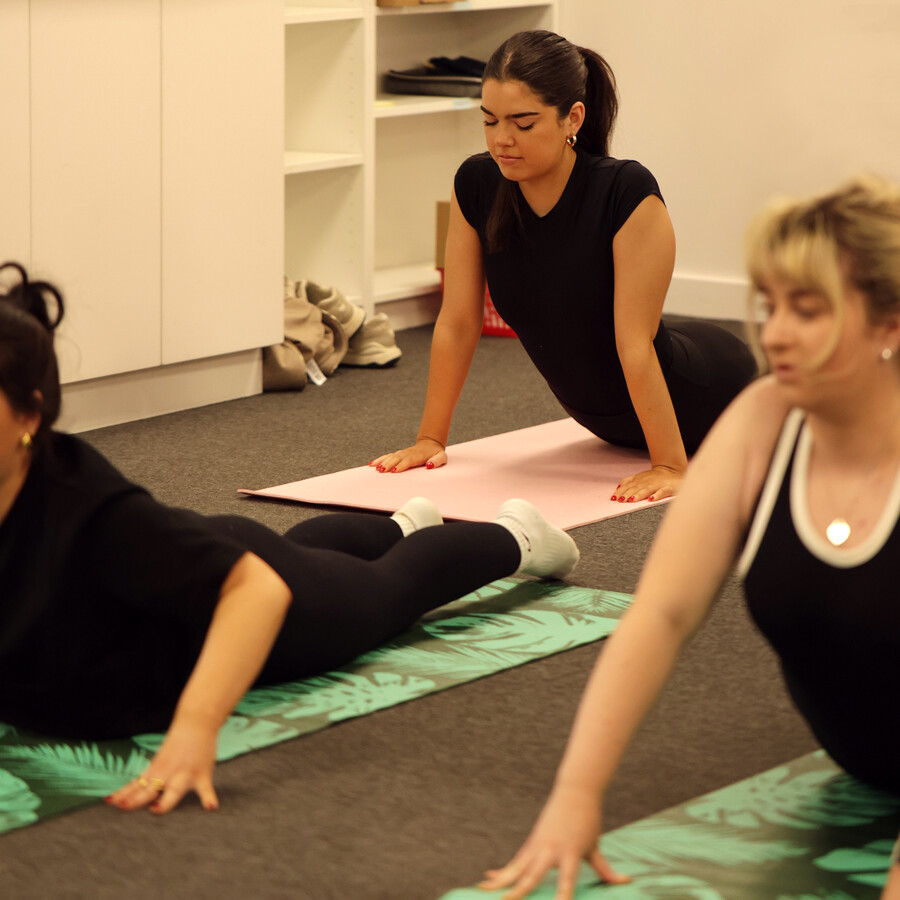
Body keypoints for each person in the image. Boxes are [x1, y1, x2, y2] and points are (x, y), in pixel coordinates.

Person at [0, 261, 580, 816]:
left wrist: (195, 732)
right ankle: (400, 525)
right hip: (196, 559)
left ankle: (518, 536)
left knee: (389, 591)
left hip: (245, 604)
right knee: (307, 559)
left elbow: (257, 593)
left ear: (30, 416)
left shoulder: (92, 513)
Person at [478, 173, 900, 900]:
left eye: (810, 310)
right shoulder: (765, 421)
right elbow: (662, 614)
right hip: (863, 761)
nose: (775, 333)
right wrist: (577, 793)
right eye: (770, 306)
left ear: (888, 326)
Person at [370, 30, 756, 504]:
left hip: (705, 396)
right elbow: (457, 320)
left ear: (572, 117)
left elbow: (634, 342)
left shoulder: (625, 192)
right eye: (489, 121)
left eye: (523, 123)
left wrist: (671, 465)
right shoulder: (476, 184)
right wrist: (430, 440)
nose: (502, 140)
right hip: (603, 423)